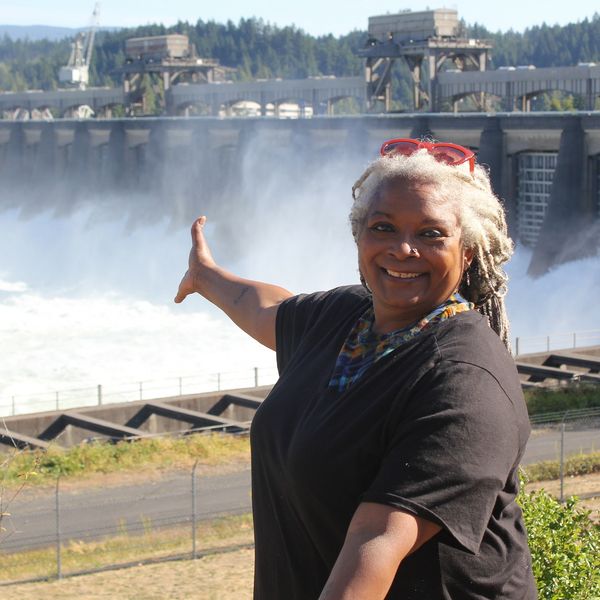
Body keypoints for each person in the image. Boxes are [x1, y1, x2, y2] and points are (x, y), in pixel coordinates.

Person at [174, 138, 537, 599]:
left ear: (467, 252)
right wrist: (206, 276)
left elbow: (379, 540)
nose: (403, 249)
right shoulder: (349, 317)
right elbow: (268, 309)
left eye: (431, 234)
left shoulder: (464, 380)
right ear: (359, 235)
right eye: (383, 227)